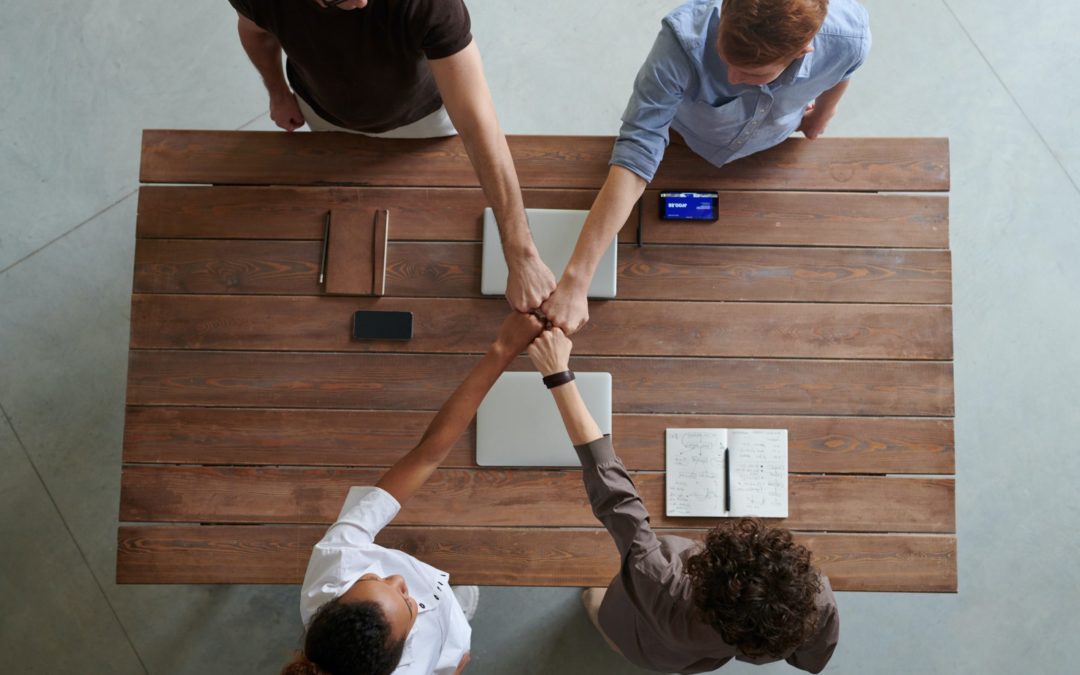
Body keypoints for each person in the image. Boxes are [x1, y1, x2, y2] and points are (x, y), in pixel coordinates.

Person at [541, 0, 871, 333]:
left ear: (803, 50)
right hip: (686, 137)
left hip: (769, 152)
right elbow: (638, 148)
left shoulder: (850, 36)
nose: (730, 76)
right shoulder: (682, 40)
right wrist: (575, 281)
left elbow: (847, 66)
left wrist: (820, 118)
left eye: (751, 74)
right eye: (725, 57)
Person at [525, 327, 840, 673]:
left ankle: (593, 607)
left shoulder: (664, 584)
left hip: (638, 634)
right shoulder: (812, 599)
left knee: (599, 607)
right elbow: (812, 660)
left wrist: (558, 374)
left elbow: (615, 495)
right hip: (679, 657)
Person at [228, 0, 556, 313]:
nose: (361, 4)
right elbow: (254, 30)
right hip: (323, 114)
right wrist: (277, 91)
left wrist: (522, 255)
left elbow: (476, 123)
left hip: (425, 121)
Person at [281, 311, 544, 675]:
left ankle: (444, 606)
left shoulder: (338, 561)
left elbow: (428, 453)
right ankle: (454, 613)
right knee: (456, 632)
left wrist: (502, 350)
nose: (398, 579)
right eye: (406, 600)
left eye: (373, 579)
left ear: (332, 600)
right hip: (445, 649)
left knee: (443, 606)